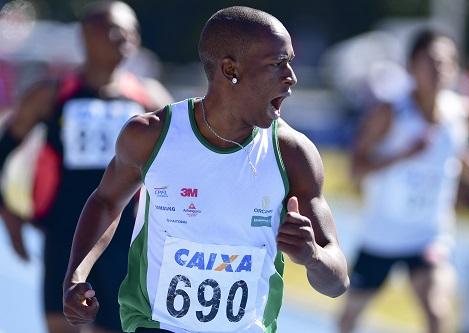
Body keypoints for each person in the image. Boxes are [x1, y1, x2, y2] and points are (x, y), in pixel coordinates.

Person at [62, 6, 349, 333]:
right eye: (277, 64)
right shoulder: (152, 136)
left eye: (290, 63)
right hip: (156, 325)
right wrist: (76, 275)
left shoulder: (293, 154)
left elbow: (338, 281)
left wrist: (312, 256)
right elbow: (106, 201)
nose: (291, 77)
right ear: (230, 69)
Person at [0, 1, 172, 333]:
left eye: (132, 32)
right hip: (63, 236)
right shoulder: (51, 95)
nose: (127, 39)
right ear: (86, 35)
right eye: (115, 30)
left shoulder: (150, 99)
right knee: (62, 325)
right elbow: (4, 151)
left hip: (123, 240)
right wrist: (10, 215)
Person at [338, 29, 469, 333]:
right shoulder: (390, 112)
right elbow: (355, 169)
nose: (441, 69)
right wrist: (403, 155)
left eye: (449, 61)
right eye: (432, 61)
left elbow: (460, 156)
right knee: (347, 320)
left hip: (428, 236)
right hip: (381, 237)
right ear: (412, 66)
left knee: (437, 312)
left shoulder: (458, 112)